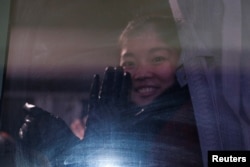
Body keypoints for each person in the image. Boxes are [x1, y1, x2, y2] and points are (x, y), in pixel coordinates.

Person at [19, 15, 203, 167]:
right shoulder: (105, 123)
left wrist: (67, 152)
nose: (142, 73)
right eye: (130, 63)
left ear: (182, 61)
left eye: (157, 59)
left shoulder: (200, 124)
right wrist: (72, 148)